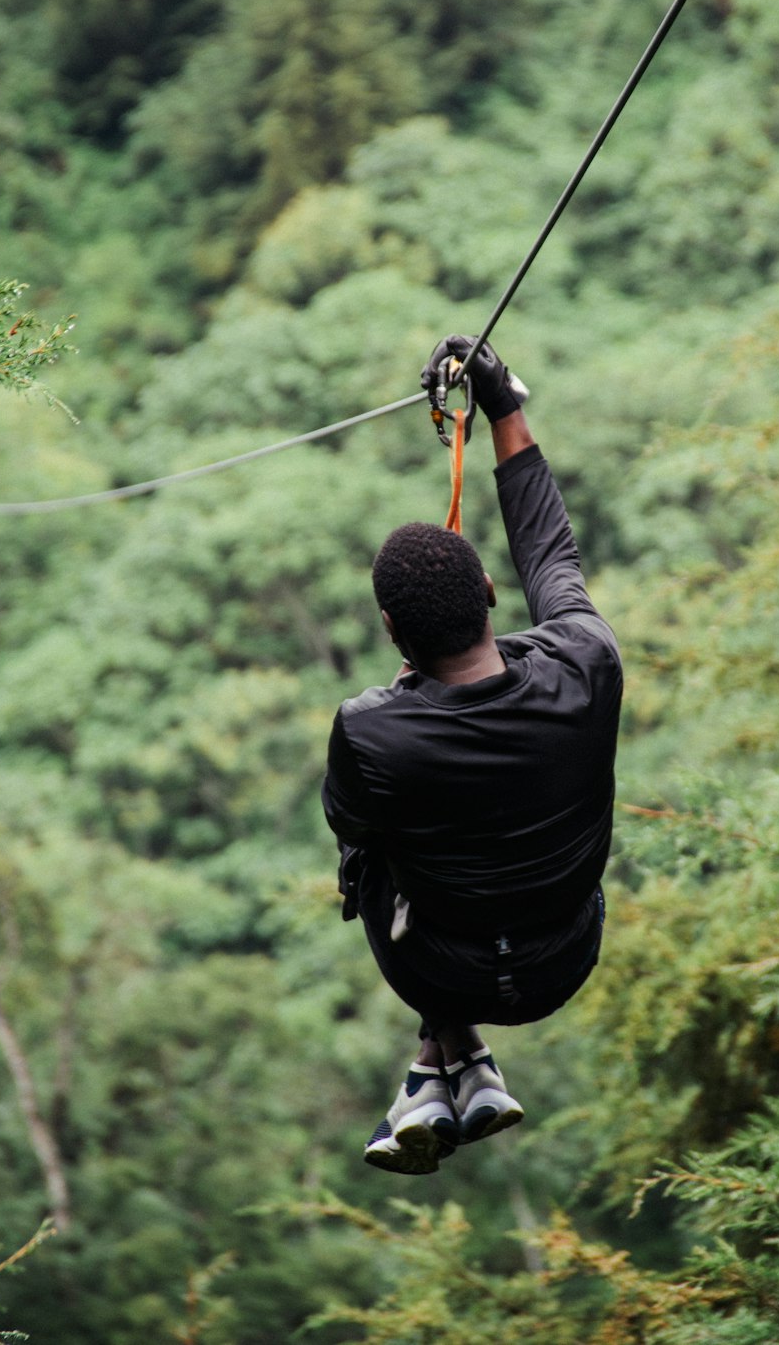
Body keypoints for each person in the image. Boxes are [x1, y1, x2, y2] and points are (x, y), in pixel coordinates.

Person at [321, 334, 623, 1175]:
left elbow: (354, 831)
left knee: (366, 847)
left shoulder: (370, 728)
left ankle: (443, 1058)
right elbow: (551, 555)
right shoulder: (586, 668)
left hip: (436, 968)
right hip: (563, 957)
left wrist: (406, 701)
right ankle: (449, 1071)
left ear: (392, 632)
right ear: (489, 593)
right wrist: (504, 406)